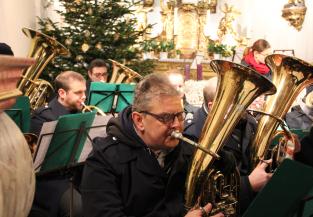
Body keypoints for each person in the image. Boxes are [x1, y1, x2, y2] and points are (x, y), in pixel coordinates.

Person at [81, 73, 224, 217]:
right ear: (139, 121)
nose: (177, 125)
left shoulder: (188, 148)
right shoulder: (103, 160)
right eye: (166, 117)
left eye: (180, 115)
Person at [184, 77, 272, 215]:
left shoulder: (248, 121)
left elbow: (256, 158)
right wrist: (248, 184)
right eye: (238, 103)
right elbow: (200, 192)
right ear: (214, 106)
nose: (245, 106)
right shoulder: (193, 135)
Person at [29, 71, 86, 217]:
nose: (84, 97)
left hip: (76, 174)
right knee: (79, 209)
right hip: (51, 180)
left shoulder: (82, 114)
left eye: (84, 92)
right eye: (78, 92)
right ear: (62, 93)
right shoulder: (42, 118)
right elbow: (39, 164)